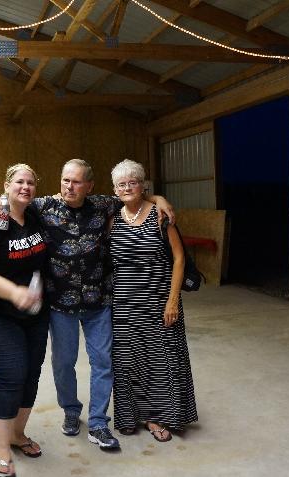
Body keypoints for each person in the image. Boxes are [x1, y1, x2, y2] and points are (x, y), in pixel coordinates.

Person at [0, 158, 175, 451]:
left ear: (89, 185)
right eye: (65, 180)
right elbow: (15, 199)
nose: (69, 187)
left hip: (99, 303)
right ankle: (71, 411)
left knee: (103, 363)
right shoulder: (44, 207)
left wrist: (158, 198)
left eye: (76, 182)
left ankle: (98, 422)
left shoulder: (103, 205)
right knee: (64, 364)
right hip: (60, 305)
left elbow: (132, 194)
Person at [0, 164, 50, 477]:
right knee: (12, 375)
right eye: (19, 181)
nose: (25, 187)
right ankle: (2, 448)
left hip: (34, 312)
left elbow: (74, 197)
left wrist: (156, 198)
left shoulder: (35, 214)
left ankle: (17, 434)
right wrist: (13, 292)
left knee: (31, 374)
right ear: (6, 185)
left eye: (31, 182)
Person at [108, 159, 198, 442]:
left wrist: (173, 301)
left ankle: (157, 417)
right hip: (123, 303)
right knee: (127, 359)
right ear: (115, 189)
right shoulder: (112, 218)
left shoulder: (160, 216)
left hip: (158, 300)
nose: (127, 188)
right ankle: (130, 415)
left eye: (132, 182)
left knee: (160, 359)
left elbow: (179, 259)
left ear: (142, 185)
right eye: (121, 184)